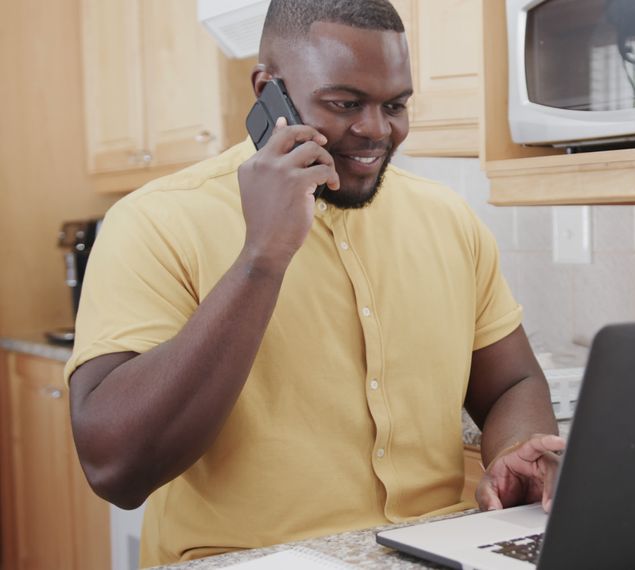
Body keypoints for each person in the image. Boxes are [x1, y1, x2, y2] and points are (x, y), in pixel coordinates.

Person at [64, 0, 563, 565]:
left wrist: (517, 450)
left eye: (395, 105)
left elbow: (513, 382)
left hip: (434, 551)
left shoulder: (450, 219)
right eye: (345, 103)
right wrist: (262, 257)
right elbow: (114, 468)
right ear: (267, 90)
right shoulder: (155, 221)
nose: (376, 130)